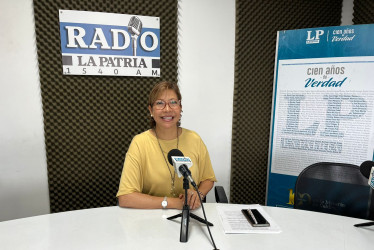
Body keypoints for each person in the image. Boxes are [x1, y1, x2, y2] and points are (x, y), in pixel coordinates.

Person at [117, 81, 216, 210]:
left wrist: (198, 194)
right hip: (151, 218)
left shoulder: (194, 139)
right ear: (150, 110)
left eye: (173, 102)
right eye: (160, 103)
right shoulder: (140, 143)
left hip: (190, 215)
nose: (167, 109)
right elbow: (125, 197)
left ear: (180, 107)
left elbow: (208, 178)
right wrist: (174, 203)